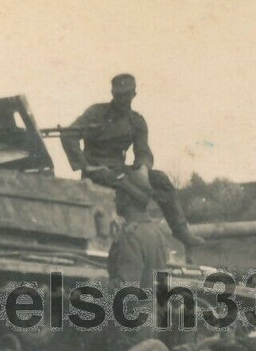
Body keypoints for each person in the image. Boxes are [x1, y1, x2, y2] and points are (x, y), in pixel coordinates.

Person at [61, 73, 205, 247]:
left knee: (160, 180)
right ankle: (134, 235)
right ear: (112, 94)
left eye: (126, 95)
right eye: (118, 95)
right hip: (97, 172)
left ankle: (182, 232)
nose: (122, 100)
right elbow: (68, 134)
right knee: (129, 189)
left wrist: (143, 170)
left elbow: (142, 151)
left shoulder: (136, 121)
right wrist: (85, 165)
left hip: (120, 169)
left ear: (134, 94)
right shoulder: (96, 113)